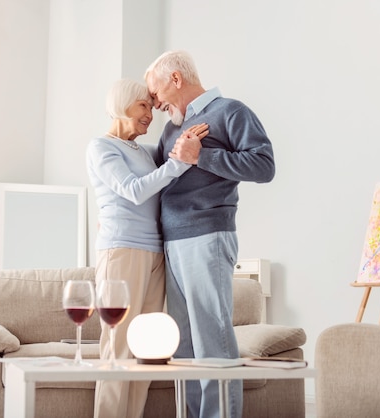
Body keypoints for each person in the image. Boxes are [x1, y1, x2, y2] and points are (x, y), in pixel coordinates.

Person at [144, 51, 275, 418]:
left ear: (175, 79)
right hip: (171, 241)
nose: (154, 104)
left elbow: (264, 166)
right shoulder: (171, 127)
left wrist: (202, 157)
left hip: (207, 235)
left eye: (155, 93)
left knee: (211, 339)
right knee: (184, 344)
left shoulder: (230, 111)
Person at [86, 78, 208, 418]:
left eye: (151, 108)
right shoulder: (101, 147)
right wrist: (178, 163)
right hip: (121, 251)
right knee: (118, 347)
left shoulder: (144, 150)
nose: (150, 115)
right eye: (143, 106)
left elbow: (164, 181)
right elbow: (134, 190)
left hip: (155, 253)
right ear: (122, 105)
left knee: (145, 349)